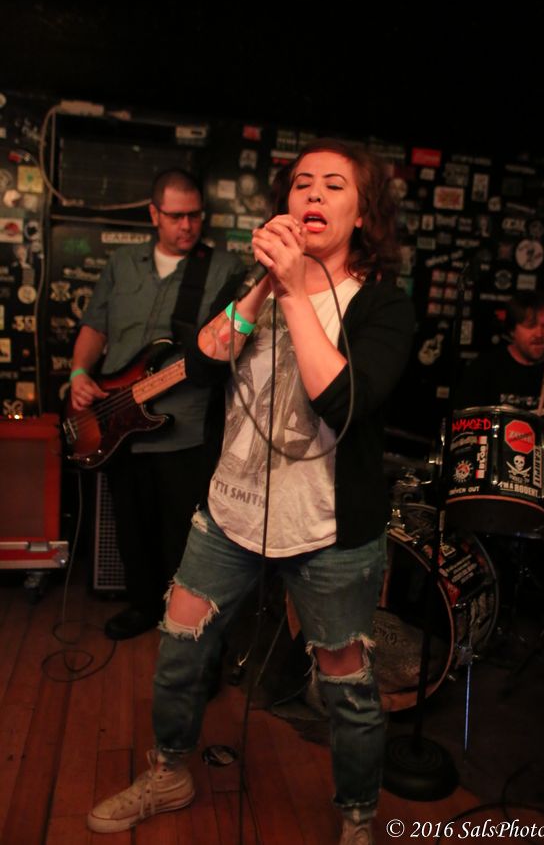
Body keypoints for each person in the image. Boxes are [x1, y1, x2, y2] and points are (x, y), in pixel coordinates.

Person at [86, 139, 414, 843]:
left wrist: (295, 290)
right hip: (229, 510)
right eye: (302, 183)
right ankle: (168, 770)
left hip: (329, 530)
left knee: (346, 684)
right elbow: (203, 364)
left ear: (363, 214)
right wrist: (265, 284)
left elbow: (341, 402)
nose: (313, 194)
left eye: (334, 185)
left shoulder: (384, 306)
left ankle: (358, 816)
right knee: (180, 643)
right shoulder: (254, 284)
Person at [69, 168, 244, 640]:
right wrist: (79, 373)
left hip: (184, 428)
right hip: (115, 424)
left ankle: (182, 623)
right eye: (175, 216)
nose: (187, 226)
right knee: (131, 529)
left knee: (182, 537)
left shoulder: (223, 269)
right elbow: (95, 325)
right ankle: (143, 606)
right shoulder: (122, 263)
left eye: (195, 216)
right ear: (153, 214)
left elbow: (233, 339)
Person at [454, 292, 544, 480]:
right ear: (512, 331)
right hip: (493, 475)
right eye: (530, 326)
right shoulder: (485, 368)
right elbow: (465, 424)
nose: (540, 334)